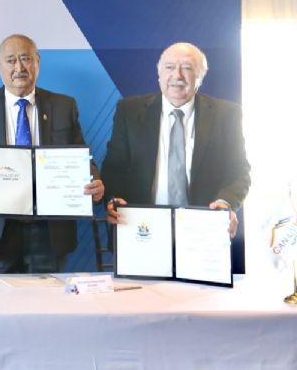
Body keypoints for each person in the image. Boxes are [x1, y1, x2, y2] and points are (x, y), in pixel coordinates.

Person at [0, 34, 104, 273]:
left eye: (25, 58)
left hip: (49, 232)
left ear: (37, 62)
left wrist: (93, 180)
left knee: (45, 306)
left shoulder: (63, 106)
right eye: (10, 60)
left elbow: (82, 157)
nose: (19, 67)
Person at [103, 42, 250, 236]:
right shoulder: (129, 111)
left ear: (200, 76)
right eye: (169, 67)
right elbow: (114, 169)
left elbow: (238, 172)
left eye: (187, 68)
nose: (177, 75)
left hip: (202, 229)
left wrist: (225, 203)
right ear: (159, 74)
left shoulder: (226, 114)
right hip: (141, 228)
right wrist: (113, 199)